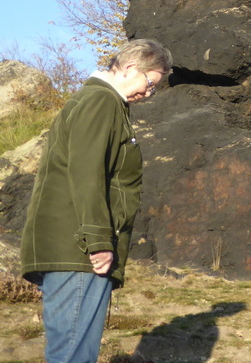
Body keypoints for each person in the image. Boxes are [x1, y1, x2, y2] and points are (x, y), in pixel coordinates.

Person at [21, 38, 173, 363]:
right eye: (149, 84)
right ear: (131, 67)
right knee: (74, 355)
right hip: (81, 253)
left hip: (73, 249)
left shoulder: (99, 102)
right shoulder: (101, 102)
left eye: (154, 89)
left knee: (68, 351)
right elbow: (86, 173)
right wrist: (99, 241)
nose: (148, 94)